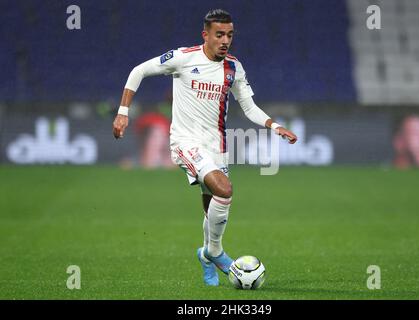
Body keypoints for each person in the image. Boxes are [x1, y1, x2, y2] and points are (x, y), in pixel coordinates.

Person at [112, 9, 297, 286]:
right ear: (206, 35)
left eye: (230, 35)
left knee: (211, 203)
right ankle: (215, 252)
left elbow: (248, 107)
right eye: (219, 35)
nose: (225, 40)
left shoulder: (234, 67)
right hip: (185, 142)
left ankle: (205, 255)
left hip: (217, 146)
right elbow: (138, 71)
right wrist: (123, 111)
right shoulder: (183, 58)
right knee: (225, 189)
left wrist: (273, 125)